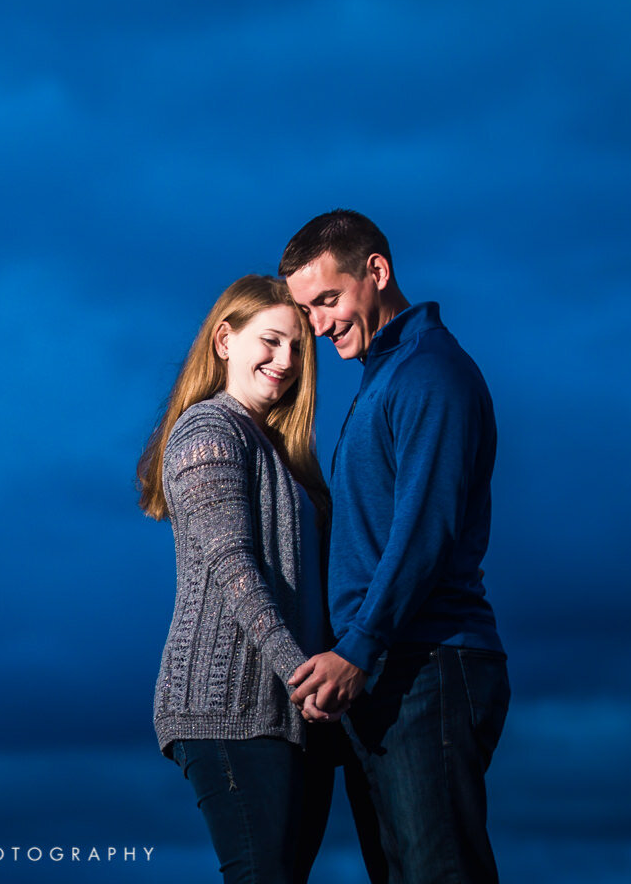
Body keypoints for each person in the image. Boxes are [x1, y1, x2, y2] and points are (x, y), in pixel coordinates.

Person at [280, 210, 509, 883]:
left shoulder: (429, 374)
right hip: (388, 671)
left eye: (327, 300)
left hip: (429, 664)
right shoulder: (384, 376)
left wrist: (359, 646)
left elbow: (424, 530)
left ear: (376, 271)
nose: (317, 326)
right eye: (306, 310)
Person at [137, 274, 370, 884]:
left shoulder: (281, 451)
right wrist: (303, 674)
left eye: (298, 348)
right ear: (224, 339)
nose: (286, 361)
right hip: (228, 704)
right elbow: (231, 566)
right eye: (270, 340)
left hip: (295, 711)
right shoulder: (208, 430)